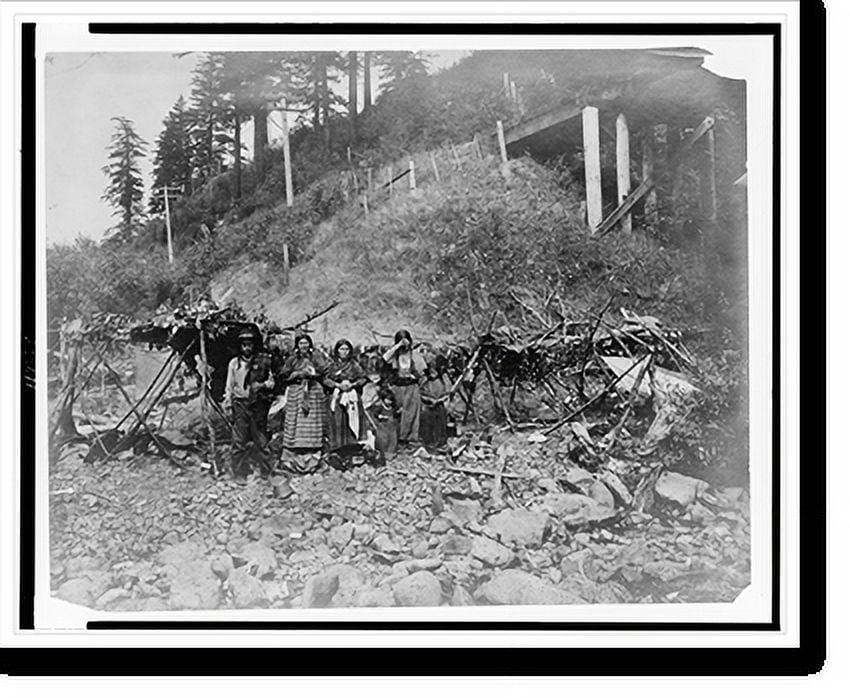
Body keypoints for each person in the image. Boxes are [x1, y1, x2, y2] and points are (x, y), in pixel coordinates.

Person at [222, 326, 275, 485]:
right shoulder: (234, 363)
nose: (247, 348)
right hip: (240, 404)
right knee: (239, 441)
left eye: (250, 345)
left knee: (261, 439)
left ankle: (267, 472)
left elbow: (271, 383)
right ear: (240, 346)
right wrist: (228, 403)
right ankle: (239, 473)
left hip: (257, 405)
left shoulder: (262, 362)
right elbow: (229, 386)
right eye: (244, 345)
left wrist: (262, 385)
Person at [278, 333, 328, 471]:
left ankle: (314, 453)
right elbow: (283, 375)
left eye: (306, 343)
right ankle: (292, 454)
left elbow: (325, 371)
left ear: (310, 344)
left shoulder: (316, 357)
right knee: (295, 420)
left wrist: (313, 374)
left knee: (312, 421)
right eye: (301, 343)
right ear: (297, 345)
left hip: (313, 391)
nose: (304, 346)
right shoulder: (292, 359)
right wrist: (296, 374)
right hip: (296, 390)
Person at [382, 329, 428, 446]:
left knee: (411, 412)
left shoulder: (414, 354)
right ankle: (396, 438)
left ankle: (409, 438)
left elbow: (423, 372)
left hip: (411, 386)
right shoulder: (394, 354)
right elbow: (385, 358)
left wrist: (416, 377)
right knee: (396, 411)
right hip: (397, 386)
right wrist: (397, 346)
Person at [324, 338, 368, 451]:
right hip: (337, 396)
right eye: (342, 349)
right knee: (337, 421)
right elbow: (325, 379)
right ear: (337, 351)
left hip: (351, 395)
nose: (344, 352)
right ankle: (337, 447)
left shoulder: (354, 365)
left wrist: (353, 384)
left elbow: (363, 378)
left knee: (352, 420)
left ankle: (352, 447)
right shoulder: (332, 365)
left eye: (347, 349)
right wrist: (337, 385)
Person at [419, 363, 450, 452]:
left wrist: (441, 399)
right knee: (429, 423)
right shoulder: (425, 380)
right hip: (428, 405)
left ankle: (440, 442)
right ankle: (429, 443)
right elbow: (421, 392)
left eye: (434, 370)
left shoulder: (443, 379)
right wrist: (429, 399)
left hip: (439, 404)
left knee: (440, 424)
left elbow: (448, 391)